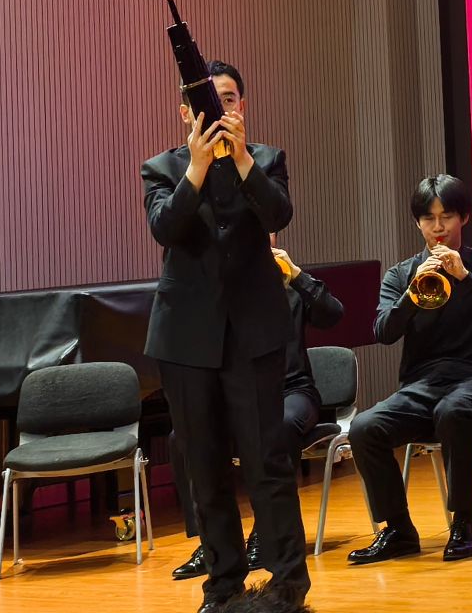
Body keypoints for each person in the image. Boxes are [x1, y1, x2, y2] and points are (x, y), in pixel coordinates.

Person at [142, 59, 309, 613]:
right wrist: (196, 167)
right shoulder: (161, 168)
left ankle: (288, 584)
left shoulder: (266, 159)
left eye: (229, 99)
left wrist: (239, 159)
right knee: (203, 466)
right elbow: (166, 228)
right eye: (206, 102)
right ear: (185, 112)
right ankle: (222, 587)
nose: (219, 110)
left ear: (243, 106)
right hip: (185, 339)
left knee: (267, 461)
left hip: (253, 333)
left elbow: (278, 215)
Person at [344, 174, 472, 565]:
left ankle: (463, 523)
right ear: (417, 223)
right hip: (422, 385)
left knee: (453, 411)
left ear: (464, 217)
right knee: (364, 427)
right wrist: (410, 295)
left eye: (447, 216)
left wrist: (464, 279)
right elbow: (383, 332)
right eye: (428, 218)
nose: (438, 228)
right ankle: (398, 530)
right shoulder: (401, 274)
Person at [171, 238, 343, 579]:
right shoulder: (220, 291)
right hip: (242, 395)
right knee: (183, 436)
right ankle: (212, 541)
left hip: (293, 391)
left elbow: (333, 314)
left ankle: (266, 534)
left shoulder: (289, 283)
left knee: (279, 426)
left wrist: (298, 276)